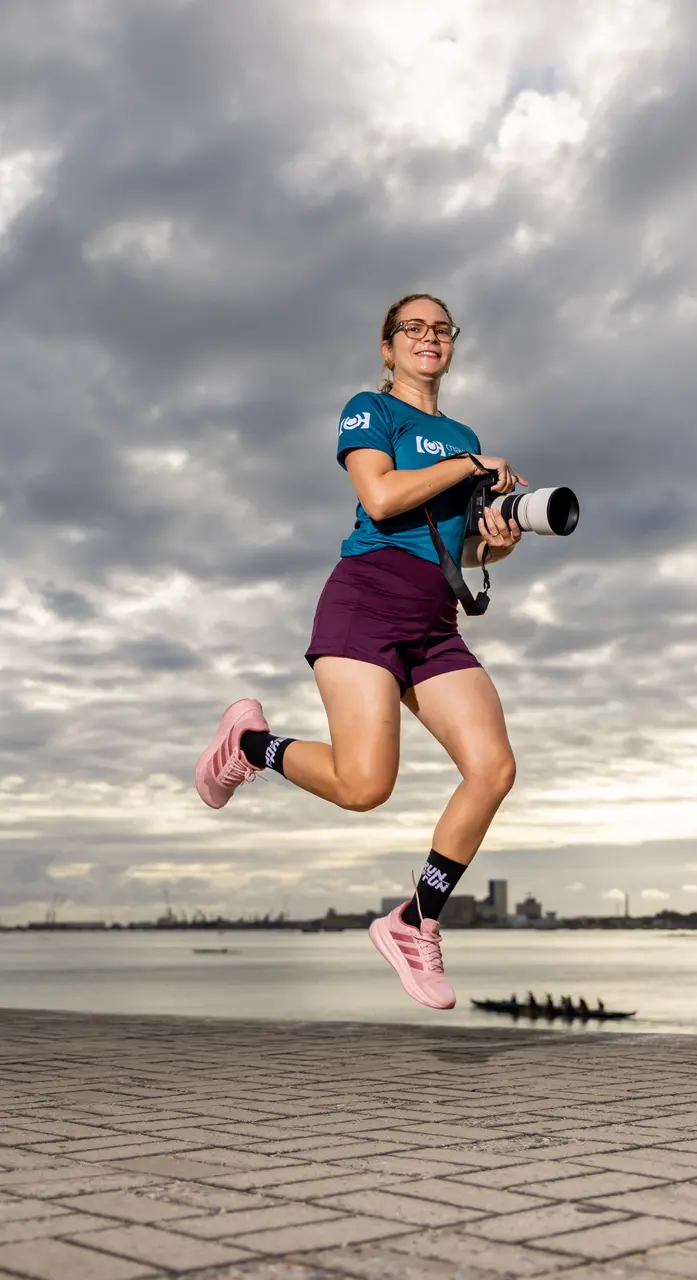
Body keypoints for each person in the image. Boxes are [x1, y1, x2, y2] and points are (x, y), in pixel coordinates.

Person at [195, 293, 526, 1012]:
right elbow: (379, 498)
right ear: (388, 347)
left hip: (433, 620)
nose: (428, 337)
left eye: (441, 328)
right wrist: (469, 464)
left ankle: (414, 920)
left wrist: (491, 540)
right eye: (413, 328)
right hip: (366, 602)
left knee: (492, 768)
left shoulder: (462, 431)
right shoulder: (369, 411)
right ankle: (252, 745)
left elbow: (451, 544)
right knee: (362, 787)